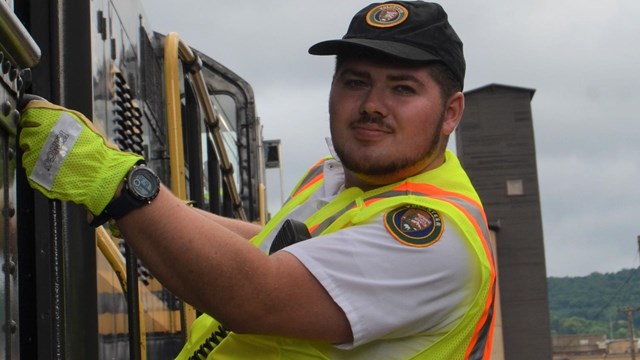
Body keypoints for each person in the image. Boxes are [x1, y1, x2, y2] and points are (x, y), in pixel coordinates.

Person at [19, 1, 496, 359]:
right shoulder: (337, 178)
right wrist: (157, 219)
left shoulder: (434, 236)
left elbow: (257, 294)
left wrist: (118, 184)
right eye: (355, 81)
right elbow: (269, 243)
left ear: (450, 112)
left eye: (402, 88)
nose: (372, 103)